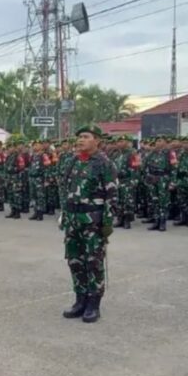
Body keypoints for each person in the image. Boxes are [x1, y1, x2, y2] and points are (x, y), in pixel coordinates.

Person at [60, 125, 118, 323]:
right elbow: (65, 188)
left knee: (93, 262)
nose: (80, 140)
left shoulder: (104, 164)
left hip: (93, 220)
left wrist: (107, 223)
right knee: (74, 260)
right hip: (73, 219)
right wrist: (64, 214)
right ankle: (80, 300)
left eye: (85, 136)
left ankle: (94, 303)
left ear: (97, 141)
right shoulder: (73, 161)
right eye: (79, 137)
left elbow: (112, 196)